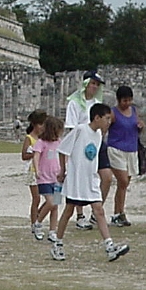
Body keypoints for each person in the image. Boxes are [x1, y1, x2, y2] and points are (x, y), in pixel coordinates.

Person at [51, 103, 130, 262]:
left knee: (99, 210)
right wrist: (62, 170)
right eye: (107, 118)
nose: (109, 122)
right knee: (69, 211)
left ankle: (109, 246)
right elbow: (63, 149)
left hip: (91, 179)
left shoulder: (99, 136)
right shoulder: (80, 130)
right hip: (77, 179)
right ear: (97, 118)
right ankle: (57, 243)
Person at [64, 69, 108, 230]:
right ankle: (80, 215)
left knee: (106, 177)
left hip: (96, 142)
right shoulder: (74, 103)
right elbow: (71, 128)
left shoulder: (97, 104)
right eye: (92, 84)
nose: (95, 87)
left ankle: (97, 211)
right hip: (80, 143)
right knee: (79, 178)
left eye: (97, 84)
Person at [107, 86, 144, 227]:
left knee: (124, 184)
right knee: (122, 181)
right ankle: (118, 213)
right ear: (118, 100)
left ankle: (119, 213)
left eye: (129, 100)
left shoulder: (134, 111)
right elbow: (106, 127)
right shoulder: (113, 113)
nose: (127, 103)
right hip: (116, 149)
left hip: (131, 149)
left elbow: (136, 126)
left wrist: (141, 126)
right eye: (124, 100)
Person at [31, 116, 64, 242]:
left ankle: (52, 230)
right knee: (50, 202)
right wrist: (37, 170)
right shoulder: (41, 143)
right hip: (44, 178)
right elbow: (36, 156)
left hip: (57, 178)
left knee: (55, 205)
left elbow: (63, 157)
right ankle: (38, 223)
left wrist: (64, 171)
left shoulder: (59, 143)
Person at [21, 109, 47, 234]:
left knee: (50, 199)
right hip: (32, 170)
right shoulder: (29, 138)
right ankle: (33, 223)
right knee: (36, 198)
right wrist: (35, 154)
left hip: (44, 170)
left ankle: (38, 217)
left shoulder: (44, 138)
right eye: (41, 124)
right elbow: (24, 155)